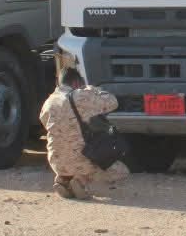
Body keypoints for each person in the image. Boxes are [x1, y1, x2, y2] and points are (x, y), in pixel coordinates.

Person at [38, 70, 128, 199]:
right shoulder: (80, 96)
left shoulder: (48, 102)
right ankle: (81, 181)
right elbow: (113, 102)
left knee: (68, 156)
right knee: (121, 171)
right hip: (80, 160)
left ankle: (63, 180)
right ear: (76, 83)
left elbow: (45, 123)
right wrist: (92, 89)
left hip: (55, 161)